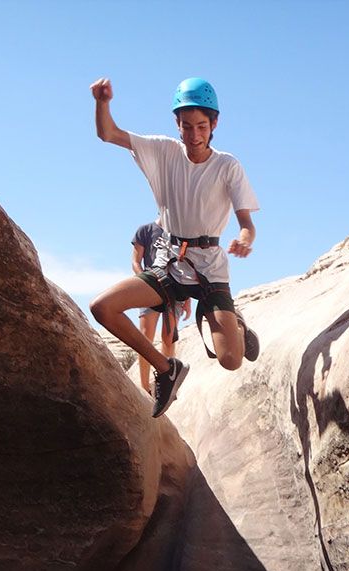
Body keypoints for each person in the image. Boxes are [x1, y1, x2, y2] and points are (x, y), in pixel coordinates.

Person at [88, 76, 261, 418]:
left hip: (210, 271)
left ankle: (236, 324)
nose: (194, 135)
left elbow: (247, 223)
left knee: (230, 360)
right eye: (186, 126)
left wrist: (244, 239)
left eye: (201, 126)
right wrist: (102, 102)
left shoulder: (227, 166)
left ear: (214, 124)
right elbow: (109, 134)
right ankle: (167, 370)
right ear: (176, 124)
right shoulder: (164, 151)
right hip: (169, 265)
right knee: (102, 307)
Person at [132, 220, 191, 395]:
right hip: (150, 286)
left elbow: (185, 265)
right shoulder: (145, 230)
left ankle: (167, 383)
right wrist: (144, 282)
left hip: (175, 290)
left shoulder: (181, 231)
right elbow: (136, 262)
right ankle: (144, 387)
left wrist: (187, 298)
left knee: (169, 336)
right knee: (145, 337)